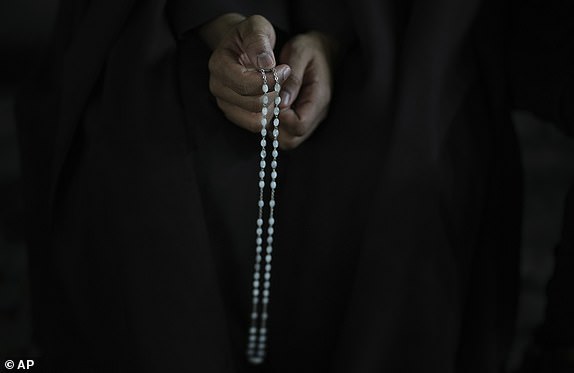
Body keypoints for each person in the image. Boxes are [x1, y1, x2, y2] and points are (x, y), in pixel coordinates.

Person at [15, 0, 573, 372]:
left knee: (405, 172)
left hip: (397, 17)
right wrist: (220, 16)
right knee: (148, 163)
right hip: (170, 15)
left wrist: (334, 34)